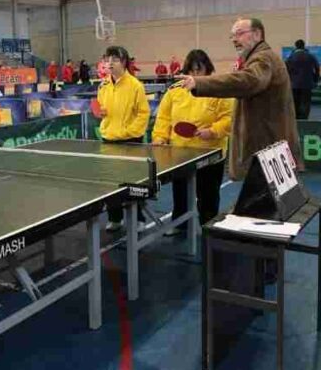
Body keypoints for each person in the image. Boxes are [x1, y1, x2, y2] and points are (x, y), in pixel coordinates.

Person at [175, 17, 303, 181]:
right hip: (270, 149)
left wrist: (199, 82)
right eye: (232, 36)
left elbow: (248, 81)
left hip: (267, 150)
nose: (234, 39)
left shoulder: (263, 58)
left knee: (264, 203)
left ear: (257, 34)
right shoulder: (257, 59)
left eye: (239, 34)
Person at [152, 50, 233, 234]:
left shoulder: (218, 89)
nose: (195, 74)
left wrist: (213, 131)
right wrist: (160, 136)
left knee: (208, 195)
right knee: (180, 192)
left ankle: (208, 226)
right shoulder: (175, 90)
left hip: (210, 151)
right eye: (192, 70)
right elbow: (163, 118)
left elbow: (228, 118)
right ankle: (179, 224)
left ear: (207, 69)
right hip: (181, 151)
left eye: (200, 70)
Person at [96, 45, 150, 231]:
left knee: (134, 183)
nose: (110, 63)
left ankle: (139, 218)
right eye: (107, 59)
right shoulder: (103, 86)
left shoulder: (136, 86)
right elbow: (103, 110)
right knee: (110, 183)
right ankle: (115, 218)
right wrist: (101, 114)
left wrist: (129, 132)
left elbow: (143, 114)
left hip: (130, 141)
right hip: (108, 139)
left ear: (124, 62)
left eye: (115, 59)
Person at [285, 39, 320, 120]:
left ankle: (296, 119)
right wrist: (315, 80)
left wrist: (289, 81)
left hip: (294, 85)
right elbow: (317, 68)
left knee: (295, 103)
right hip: (307, 84)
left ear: (295, 46)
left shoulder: (290, 57)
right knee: (305, 103)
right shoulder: (310, 56)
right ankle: (305, 119)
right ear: (304, 46)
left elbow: (286, 70)